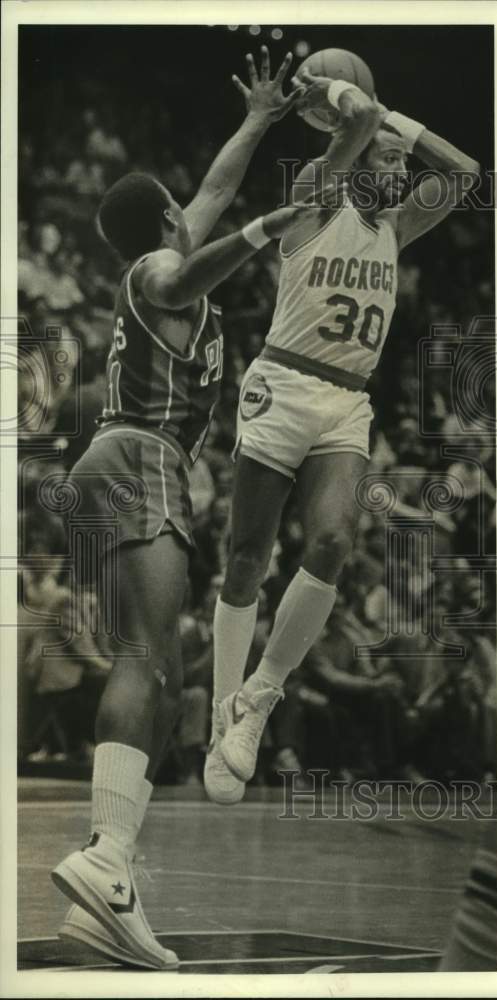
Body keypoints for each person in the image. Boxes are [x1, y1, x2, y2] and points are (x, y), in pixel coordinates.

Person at [50, 48, 307, 970]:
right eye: (184, 211)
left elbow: (214, 186)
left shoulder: (165, 241)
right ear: (166, 220)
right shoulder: (160, 267)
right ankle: (105, 859)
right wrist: (265, 229)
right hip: (142, 455)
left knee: (153, 667)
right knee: (149, 658)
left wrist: (259, 119)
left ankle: (110, 880)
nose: (199, 210)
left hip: (110, 464)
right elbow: (174, 278)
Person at [208, 66, 480, 800]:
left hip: (346, 401)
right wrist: (338, 97)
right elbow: (356, 121)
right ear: (353, 161)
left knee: (332, 543)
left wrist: (401, 126)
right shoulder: (312, 198)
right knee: (247, 557)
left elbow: (463, 172)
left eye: (400, 163)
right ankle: (219, 709)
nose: (400, 172)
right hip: (282, 383)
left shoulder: (397, 228)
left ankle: (259, 698)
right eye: (388, 161)